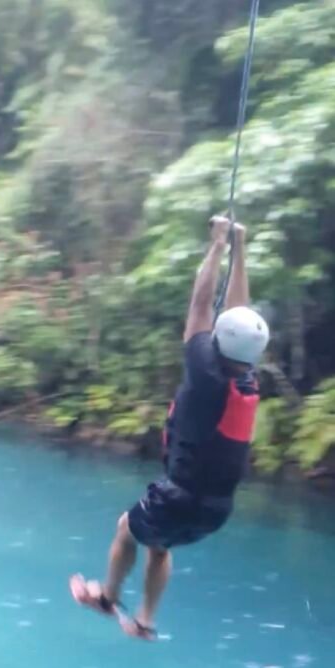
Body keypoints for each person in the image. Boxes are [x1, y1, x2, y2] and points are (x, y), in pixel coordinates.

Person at [70, 215, 270, 641]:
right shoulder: (247, 380)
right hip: (216, 510)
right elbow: (239, 314)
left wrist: (218, 244)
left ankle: (107, 598)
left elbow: (200, 307)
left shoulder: (205, 371)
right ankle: (144, 621)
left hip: (180, 496)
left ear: (221, 340)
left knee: (127, 529)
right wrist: (241, 245)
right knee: (158, 545)